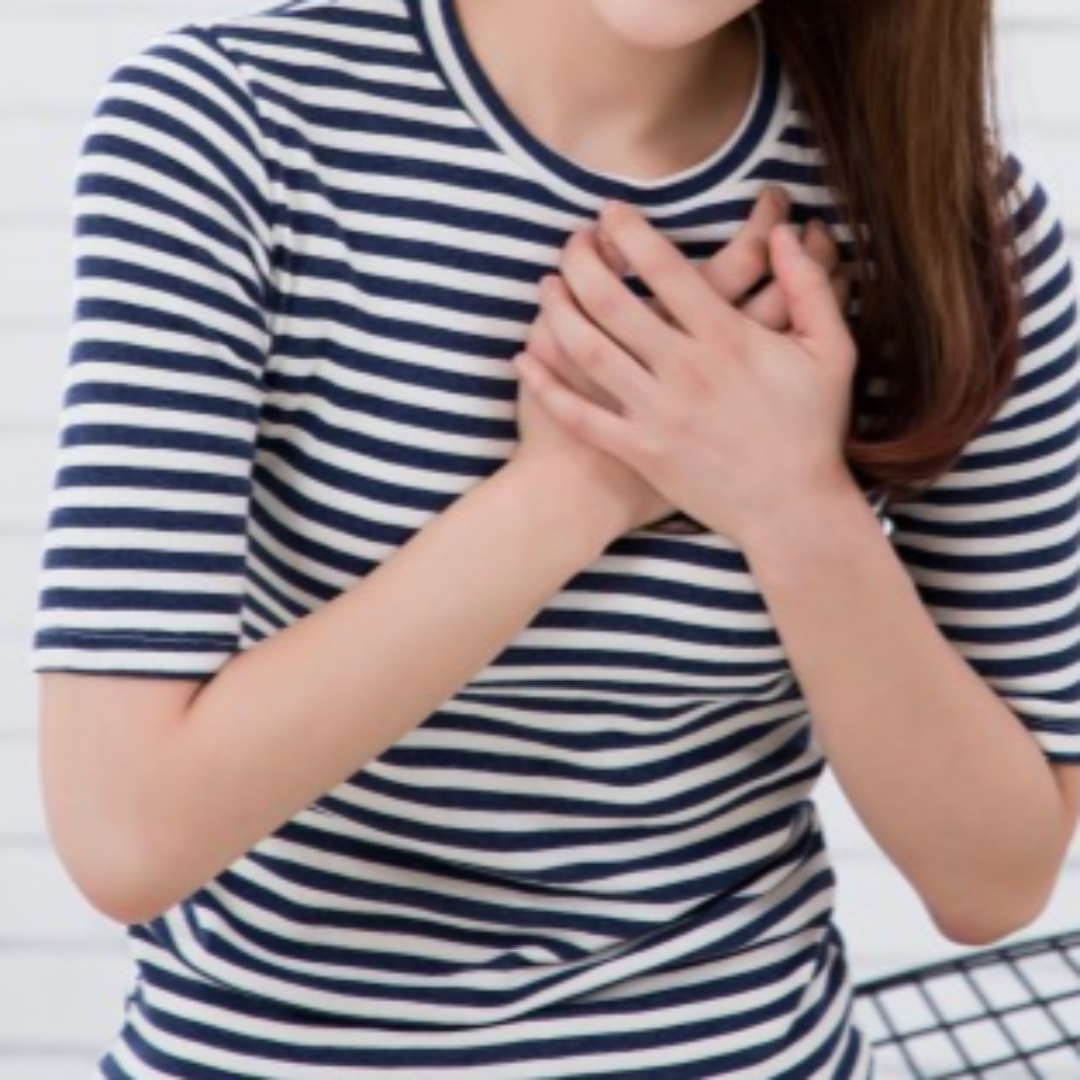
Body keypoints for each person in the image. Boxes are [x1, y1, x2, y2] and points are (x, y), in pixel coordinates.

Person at [29, 0, 1080, 1076]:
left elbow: (996, 880)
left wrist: (794, 505)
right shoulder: (235, 126)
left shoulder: (949, 221)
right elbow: (127, 836)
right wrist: (574, 487)